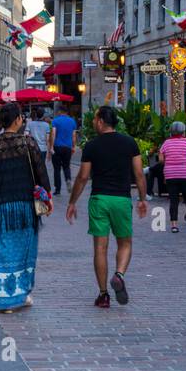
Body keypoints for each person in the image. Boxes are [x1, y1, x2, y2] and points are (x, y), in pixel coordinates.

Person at [66, 105, 149, 308]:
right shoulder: (129, 143)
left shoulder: (92, 146)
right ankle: (119, 274)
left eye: (95, 120)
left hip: (99, 199)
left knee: (100, 248)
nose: (94, 123)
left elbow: (83, 177)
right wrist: (142, 198)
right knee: (125, 243)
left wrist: (72, 202)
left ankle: (103, 295)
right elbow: (138, 173)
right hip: (121, 199)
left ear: (101, 121)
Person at [0, 102, 50, 313]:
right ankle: (22, 293)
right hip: (24, 208)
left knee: (0, 252)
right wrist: (46, 194)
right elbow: (41, 176)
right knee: (25, 252)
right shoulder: (28, 143)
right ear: (18, 120)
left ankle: (3, 300)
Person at [158, 121, 186, 233]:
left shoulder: (166, 143)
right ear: (183, 131)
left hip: (171, 175)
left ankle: (174, 225)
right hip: (185, 174)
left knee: (174, 200)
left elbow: (161, 159)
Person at [49, 107, 78, 195]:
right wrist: (73, 146)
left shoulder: (55, 121)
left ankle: (58, 190)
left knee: (57, 169)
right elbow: (73, 136)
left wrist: (51, 146)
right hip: (67, 147)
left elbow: (53, 133)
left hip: (57, 146)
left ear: (60, 112)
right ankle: (68, 179)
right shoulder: (72, 121)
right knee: (66, 166)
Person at [26, 108, 51, 172]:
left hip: (33, 148)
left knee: (34, 166)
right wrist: (48, 153)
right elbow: (47, 140)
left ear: (36, 114)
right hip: (43, 149)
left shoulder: (30, 124)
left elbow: (26, 135)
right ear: (43, 116)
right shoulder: (47, 125)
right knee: (42, 166)